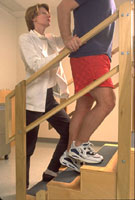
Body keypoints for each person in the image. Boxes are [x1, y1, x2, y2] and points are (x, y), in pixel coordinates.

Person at [57, 0, 116, 171]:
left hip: (96, 55)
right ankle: (79, 144)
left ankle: (70, 153)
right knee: (107, 102)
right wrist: (67, 38)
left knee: (83, 106)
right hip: (91, 54)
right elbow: (63, 7)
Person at [19, 3, 70, 188]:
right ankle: (21, 185)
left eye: (48, 13)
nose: (48, 15)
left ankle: (51, 171)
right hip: (32, 100)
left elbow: (66, 39)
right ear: (33, 18)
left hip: (48, 98)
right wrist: (61, 54)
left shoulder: (49, 39)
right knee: (27, 147)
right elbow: (35, 64)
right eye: (43, 13)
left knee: (69, 130)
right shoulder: (25, 39)